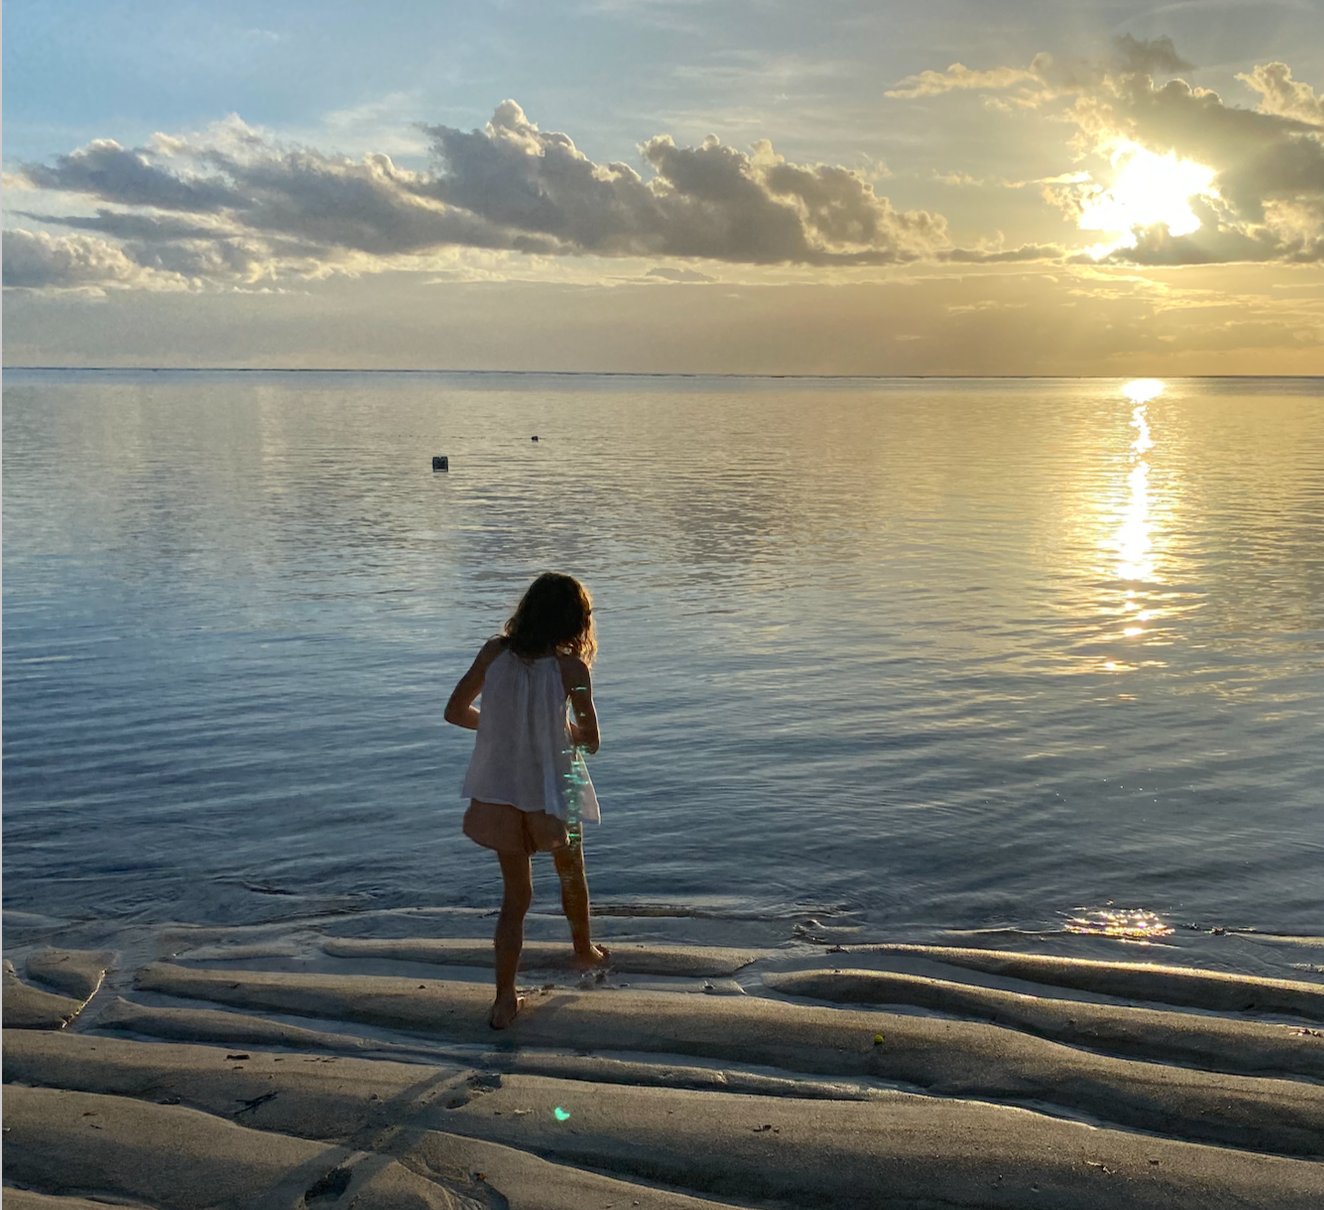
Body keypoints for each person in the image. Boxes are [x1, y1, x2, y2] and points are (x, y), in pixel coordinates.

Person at [445, 572, 608, 1028]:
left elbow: (454, 711)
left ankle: (503, 1001)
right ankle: (584, 952)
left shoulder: (494, 654)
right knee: (571, 870)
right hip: (555, 789)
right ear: (574, 622)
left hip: (499, 791)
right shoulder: (571, 671)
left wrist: (504, 729)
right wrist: (554, 733)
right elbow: (590, 740)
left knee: (516, 897)